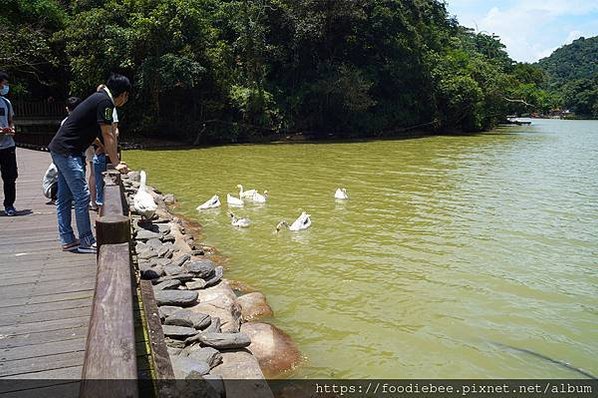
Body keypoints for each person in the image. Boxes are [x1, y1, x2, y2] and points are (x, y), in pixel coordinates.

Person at [48, 73, 130, 253]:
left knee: (64, 198)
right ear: (123, 94)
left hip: (60, 149)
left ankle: (68, 239)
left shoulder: (98, 98)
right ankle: (86, 241)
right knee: (82, 196)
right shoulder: (105, 102)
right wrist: (116, 163)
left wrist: (105, 149)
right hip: (68, 152)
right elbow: (108, 134)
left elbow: (96, 134)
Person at [93, 84, 120, 209]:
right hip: (101, 153)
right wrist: (115, 161)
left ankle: (99, 208)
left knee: (98, 182)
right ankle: (101, 210)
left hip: (99, 152)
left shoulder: (100, 104)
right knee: (101, 184)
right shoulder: (106, 104)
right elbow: (110, 132)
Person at [0, 71, 18, 216]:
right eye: (4, 84)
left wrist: (11, 129)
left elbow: (11, 120)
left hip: (7, 145)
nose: (6, 87)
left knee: (10, 177)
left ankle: (9, 204)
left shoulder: (6, 102)